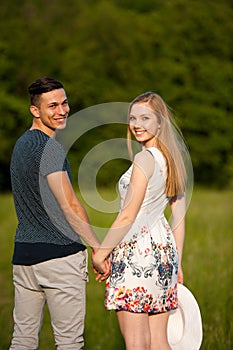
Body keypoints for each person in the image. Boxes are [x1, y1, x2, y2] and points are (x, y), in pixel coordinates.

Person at [9, 77, 103, 350]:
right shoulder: (49, 148)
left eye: (64, 103)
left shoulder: (21, 145)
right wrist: (97, 249)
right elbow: (70, 205)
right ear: (35, 110)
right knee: (69, 343)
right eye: (52, 105)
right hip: (59, 257)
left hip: (24, 258)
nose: (62, 110)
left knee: (23, 340)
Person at [92, 92, 187, 350]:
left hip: (137, 253)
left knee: (136, 344)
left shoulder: (144, 158)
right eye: (133, 118)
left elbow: (128, 214)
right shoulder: (172, 160)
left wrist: (101, 253)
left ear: (160, 122)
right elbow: (178, 216)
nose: (137, 124)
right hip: (164, 253)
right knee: (159, 341)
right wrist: (176, 260)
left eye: (145, 118)